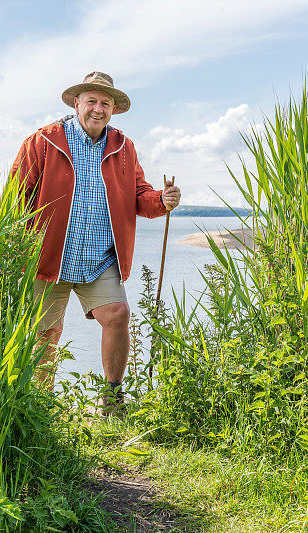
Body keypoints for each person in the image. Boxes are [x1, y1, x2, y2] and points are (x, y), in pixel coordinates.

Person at [10, 71, 181, 413]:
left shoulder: (123, 146)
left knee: (117, 315)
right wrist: (14, 247)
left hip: (99, 259)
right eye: (91, 101)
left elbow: (138, 195)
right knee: (46, 334)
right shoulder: (44, 141)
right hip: (49, 261)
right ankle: (41, 410)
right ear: (77, 103)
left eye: (105, 103)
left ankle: (112, 402)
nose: (98, 109)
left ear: (114, 109)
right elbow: (14, 197)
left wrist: (162, 200)